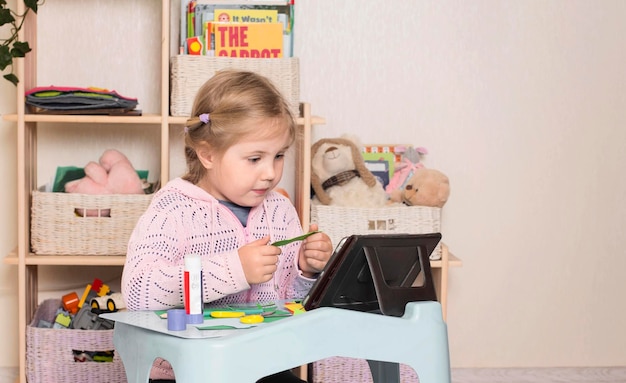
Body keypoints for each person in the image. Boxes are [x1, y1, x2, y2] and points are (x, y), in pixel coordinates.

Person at [121, 70, 333, 383]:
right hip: (181, 371)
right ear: (207, 153)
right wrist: (235, 269)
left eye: (278, 156)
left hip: (260, 366)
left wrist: (306, 271)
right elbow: (139, 292)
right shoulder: (173, 209)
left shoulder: (279, 211)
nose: (270, 173)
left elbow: (290, 305)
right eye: (254, 158)